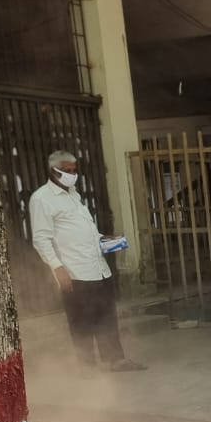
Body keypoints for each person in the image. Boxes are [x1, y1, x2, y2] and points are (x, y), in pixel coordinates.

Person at [30, 150, 145, 372]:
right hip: (74, 271)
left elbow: (85, 230)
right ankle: (87, 366)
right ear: (53, 171)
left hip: (98, 268)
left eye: (75, 170)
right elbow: (41, 239)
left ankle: (115, 360)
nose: (72, 175)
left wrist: (103, 239)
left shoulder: (74, 195)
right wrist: (58, 268)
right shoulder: (42, 199)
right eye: (67, 170)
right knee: (81, 321)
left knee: (106, 316)